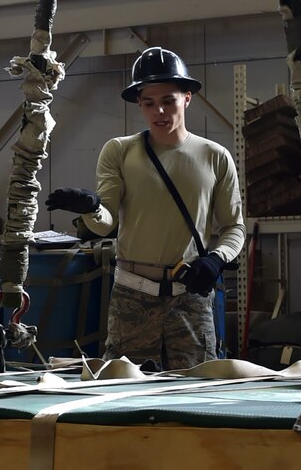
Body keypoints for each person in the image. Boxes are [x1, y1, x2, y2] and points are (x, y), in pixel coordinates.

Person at [46, 46, 244, 369]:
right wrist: (91, 206)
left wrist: (216, 259)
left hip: (190, 298)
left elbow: (235, 227)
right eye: (150, 103)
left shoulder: (215, 157)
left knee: (196, 395)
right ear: (139, 103)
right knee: (120, 397)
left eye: (169, 101)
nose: (160, 112)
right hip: (131, 298)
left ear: (187, 98)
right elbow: (105, 223)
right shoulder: (120, 152)